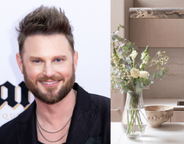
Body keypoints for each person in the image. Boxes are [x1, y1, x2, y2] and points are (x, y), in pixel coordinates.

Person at [0, 5, 110, 144]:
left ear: (74, 61)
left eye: (58, 60)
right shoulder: (6, 136)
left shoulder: (109, 117)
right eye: (37, 61)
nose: (49, 72)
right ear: (21, 64)